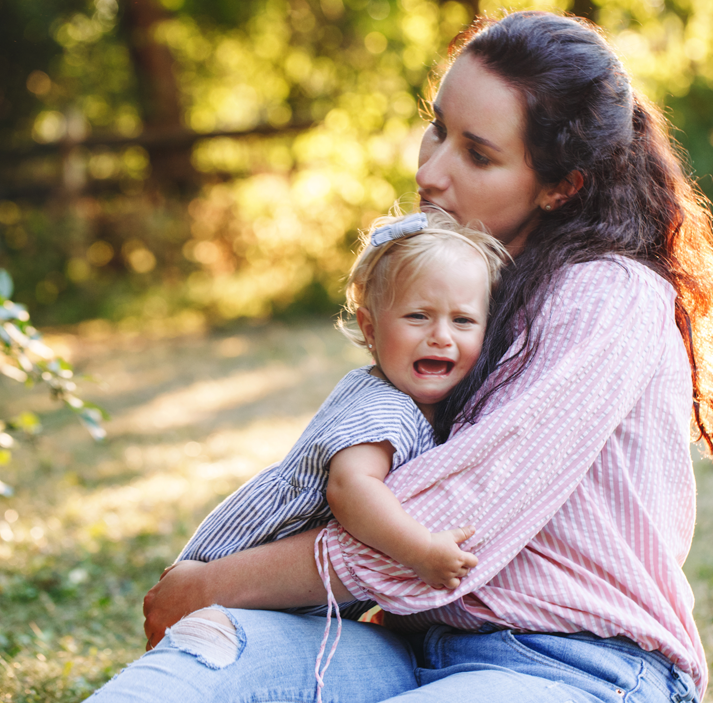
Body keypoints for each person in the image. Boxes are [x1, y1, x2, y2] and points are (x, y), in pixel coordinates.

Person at [88, 10, 713, 703]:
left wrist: (209, 583)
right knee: (212, 646)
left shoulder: (609, 295)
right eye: (437, 127)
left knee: (210, 607)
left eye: (478, 153)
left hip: (578, 669)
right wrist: (213, 603)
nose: (430, 171)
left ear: (562, 186)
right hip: (409, 649)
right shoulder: (468, 289)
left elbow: (457, 520)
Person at [175, 210, 507, 600]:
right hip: (240, 569)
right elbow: (351, 489)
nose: (440, 336)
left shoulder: (408, 399)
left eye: (463, 321)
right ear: (370, 328)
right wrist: (422, 551)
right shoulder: (386, 408)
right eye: (418, 316)